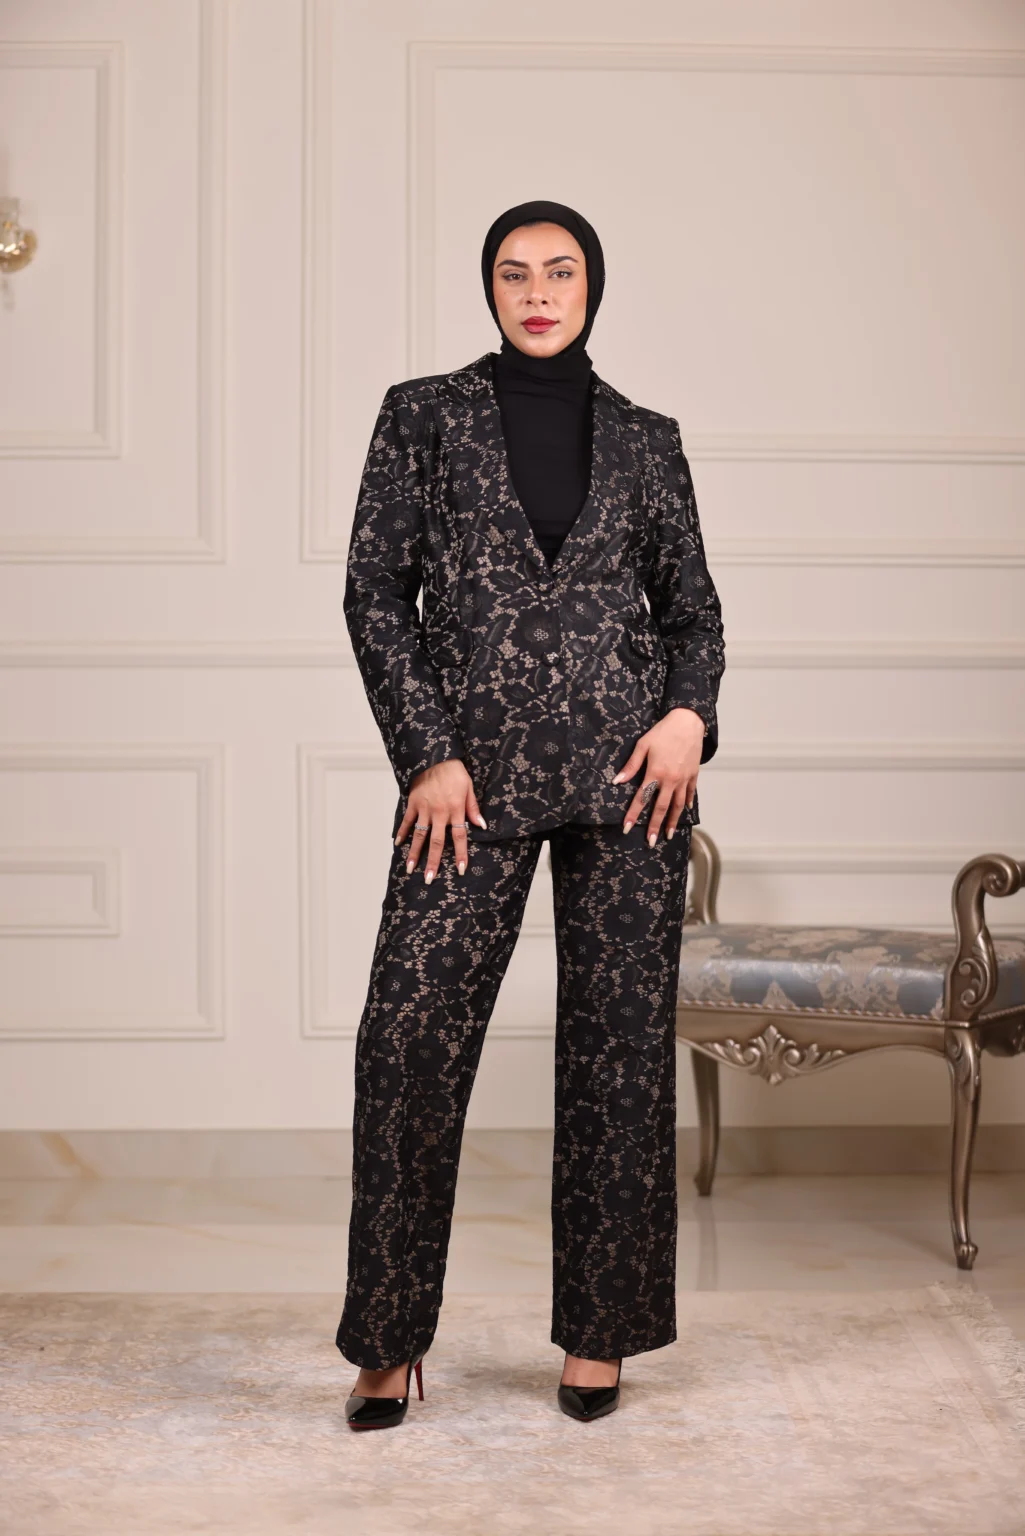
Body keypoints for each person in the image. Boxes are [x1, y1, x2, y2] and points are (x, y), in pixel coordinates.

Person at [338, 199, 725, 1429]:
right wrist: (425, 756)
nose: (538, 291)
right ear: (489, 289)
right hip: (465, 785)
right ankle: (387, 1341)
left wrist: (689, 716)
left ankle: (599, 1335)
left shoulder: (648, 439)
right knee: (406, 1042)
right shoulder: (423, 414)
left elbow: (691, 611)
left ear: (591, 287)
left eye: (560, 272)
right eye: (515, 273)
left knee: (617, 1057)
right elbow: (373, 593)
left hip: (632, 781)